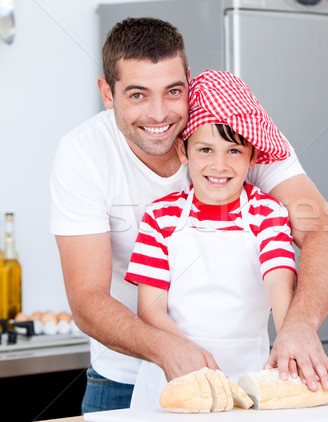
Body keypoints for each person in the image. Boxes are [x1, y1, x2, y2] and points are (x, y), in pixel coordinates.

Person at [50, 17, 328, 413]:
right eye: (138, 95)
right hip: (123, 379)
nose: (158, 114)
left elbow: (324, 233)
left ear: (188, 81)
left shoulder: (235, 130)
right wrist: (170, 349)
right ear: (108, 93)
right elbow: (87, 298)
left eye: (173, 91)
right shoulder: (84, 155)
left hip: (249, 377)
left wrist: (297, 326)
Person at [126, 69, 298, 407]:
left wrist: (289, 339)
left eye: (233, 151)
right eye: (205, 150)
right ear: (183, 151)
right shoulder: (160, 216)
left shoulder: (268, 213)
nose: (219, 165)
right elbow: (150, 309)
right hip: (174, 378)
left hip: (249, 381)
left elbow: (280, 286)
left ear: (252, 156)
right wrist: (190, 356)